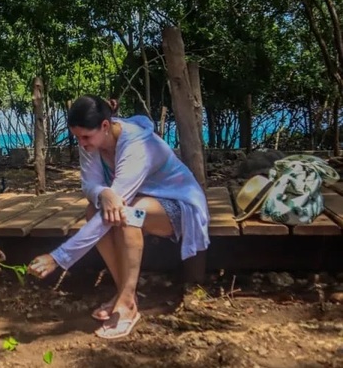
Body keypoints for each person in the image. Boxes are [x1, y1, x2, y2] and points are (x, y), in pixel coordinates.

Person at [27, 95, 210, 339]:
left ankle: (127, 305)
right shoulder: (92, 141)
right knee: (93, 210)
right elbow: (89, 185)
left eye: (86, 137)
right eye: (77, 137)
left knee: (126, 215)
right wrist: (103, 193)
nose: (81, 143)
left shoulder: (137, 147)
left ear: (105, 126)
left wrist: (58, 258)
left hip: (178, 204)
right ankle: (126, 294)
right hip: (138, 200)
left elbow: (116, 209)